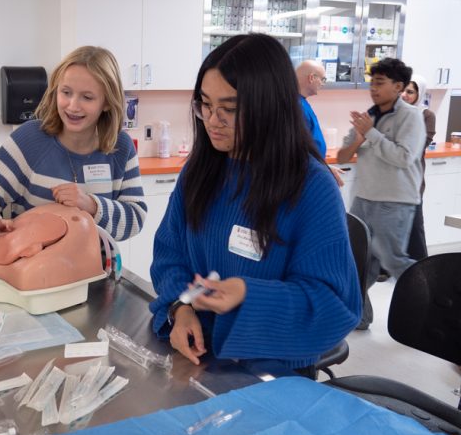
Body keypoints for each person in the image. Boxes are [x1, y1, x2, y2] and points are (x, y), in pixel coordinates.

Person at [149, 33, 360, 375]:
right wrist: (180, 309)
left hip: (272, 370)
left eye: (229, 110)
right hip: (198, 355)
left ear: (269, 107)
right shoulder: (202, 169)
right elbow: (170, 256)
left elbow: (332, 305)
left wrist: (248, 293)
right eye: (205, 104)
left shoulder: (310, 186)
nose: (213, 120)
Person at [0, 45, 146, 243]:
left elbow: (135, 217)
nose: (73, 106)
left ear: (107, 102)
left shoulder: (121, 146)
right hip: (32, 268)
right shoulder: (30, 139)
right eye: (66, 92)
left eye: (87, 97)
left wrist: (91, 205)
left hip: (95, 270)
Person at [337, 58, 425, 329]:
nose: (373, 88)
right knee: (359, 264)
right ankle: (360, 318)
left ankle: (438, 303)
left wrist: (371, 135)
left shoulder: (411, 116)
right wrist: (360, 139)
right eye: (372, 82)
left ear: (398, 86)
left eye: (380, 82)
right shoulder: (369, 116)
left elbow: (404, 157)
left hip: (394, 201)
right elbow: (342, 156)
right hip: (363, 199)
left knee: (393, 260)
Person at [401, 74, 436, 261]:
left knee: (414, 224)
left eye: (410, 92)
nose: (404, 95)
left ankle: (422, 265)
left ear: (419, 94)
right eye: (403, 90)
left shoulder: (426, 116)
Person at [295, 59, 345, 186]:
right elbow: (299, 150)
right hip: (302, 176)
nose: (323, 84)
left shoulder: (301, 102)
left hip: (310, 171)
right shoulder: (296, 106)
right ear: (311, 78)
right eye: (322, 79)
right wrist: (322, 169)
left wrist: (324, 167)